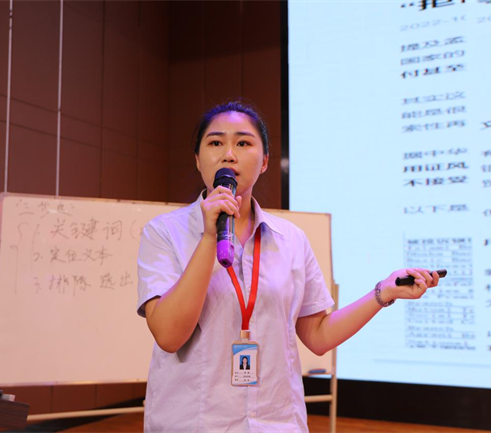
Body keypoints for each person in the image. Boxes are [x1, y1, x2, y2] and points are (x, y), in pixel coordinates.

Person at [136, 101, 440, 432]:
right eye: (215, 142)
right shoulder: (163, 232)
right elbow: (169, 335)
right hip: (194, 423)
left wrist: (383, 292)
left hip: (276, 421)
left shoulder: (291, 239)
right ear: (198, 159)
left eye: (243, 142)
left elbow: (318, 336)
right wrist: (210, 237)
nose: (229, 154)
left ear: (265, 161)